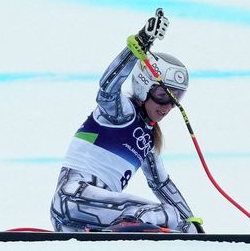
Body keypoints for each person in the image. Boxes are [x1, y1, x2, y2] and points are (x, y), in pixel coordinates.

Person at [49, 12, 203, 233]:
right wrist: (139, 44)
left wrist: (194, 226)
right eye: (162, 94)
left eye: (175, 97)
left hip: (83, 219)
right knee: (169, 214)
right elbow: (107, 89)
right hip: (73, 197)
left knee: (180, 222)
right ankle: (126, 224)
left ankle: (116, 229)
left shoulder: (148, 140)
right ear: (143, 85)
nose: (167, 105)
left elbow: (161, 184)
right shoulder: (121, 114)